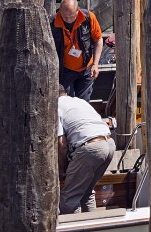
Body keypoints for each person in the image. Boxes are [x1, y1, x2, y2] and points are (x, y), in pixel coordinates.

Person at [57, 86, 114, 214]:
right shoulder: (79, 101)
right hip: (109, 144)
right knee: (87, 192)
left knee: (70, 198)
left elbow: (61, 144)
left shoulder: (54, 106)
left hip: (90, 148)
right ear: (65, 93)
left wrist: (62, 170)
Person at [52, 0, 103, 100]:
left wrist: (95, 64)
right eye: (64, 16)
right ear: (60, 11)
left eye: (71, 16)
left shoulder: (88, 18)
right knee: (66, 102)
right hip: (64, 70)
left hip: (86, 68)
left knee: (84, 103)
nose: (68, 19)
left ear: (77, 11)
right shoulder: (52, 23)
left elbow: (98, 40)